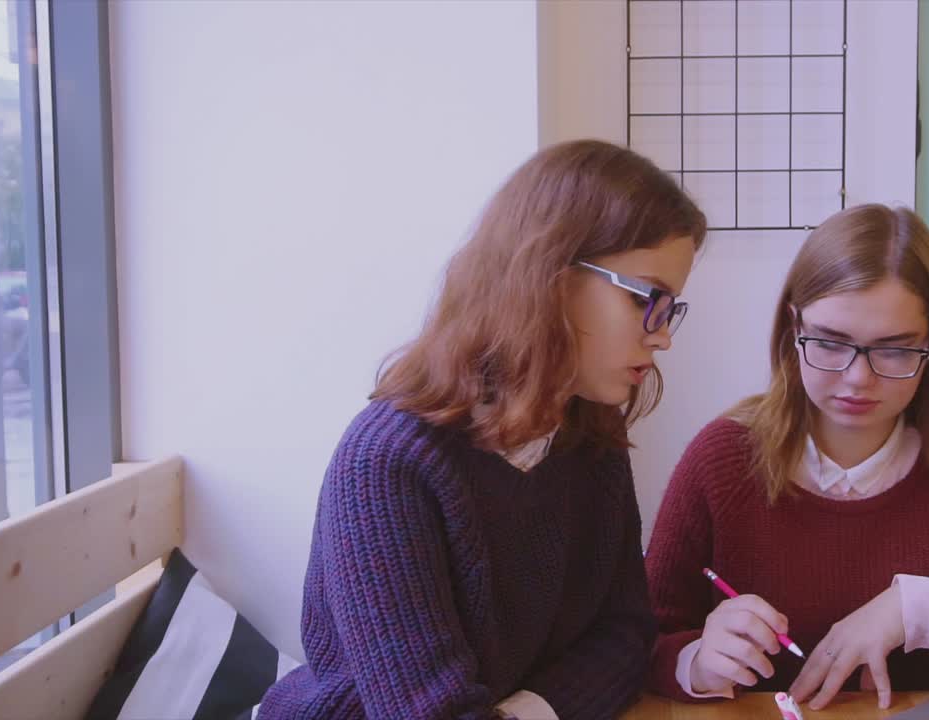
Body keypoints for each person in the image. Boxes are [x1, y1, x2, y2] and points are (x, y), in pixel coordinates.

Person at [260, 140, 707, 719]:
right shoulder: (388, 461)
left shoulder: (589, 436)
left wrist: (527, 711)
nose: (663, 334)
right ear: (551, 274)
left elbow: (623, 637)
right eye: (650, 299)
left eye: (672, 308)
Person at [645, 204, 929, 711]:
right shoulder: (723, 460)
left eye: (895, 350)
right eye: (830, 342)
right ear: (792, 328)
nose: (858, 378)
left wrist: (925, 609)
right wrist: (697, 661)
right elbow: (634, 641)